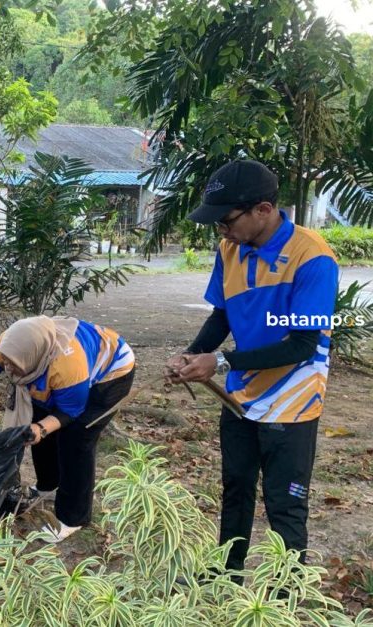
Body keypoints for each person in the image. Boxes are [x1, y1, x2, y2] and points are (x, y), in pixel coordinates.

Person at [165, 159, 338, 574]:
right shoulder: (230, 249)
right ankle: (226, 579)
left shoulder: (313, 258)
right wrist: (192, 353)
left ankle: (285, 592)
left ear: (263, 209)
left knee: (285, 503)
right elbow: (222, 315)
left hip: (293, 399)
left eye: (226, 220)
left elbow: (302, 344)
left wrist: (220, 360)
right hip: (241, 395)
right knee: (236, 488)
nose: (221, 230)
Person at [0, 315, 135, 543]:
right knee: (37, 422)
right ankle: (48, 484)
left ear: (35, 359)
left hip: (111, 372)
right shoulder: (10, 344)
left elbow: (71, 411)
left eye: (13, 365)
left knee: (76, 441)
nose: (7, 368)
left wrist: (42, 428)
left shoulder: (68, 367)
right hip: (56, 372)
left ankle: (73, 518)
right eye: (6, 362)